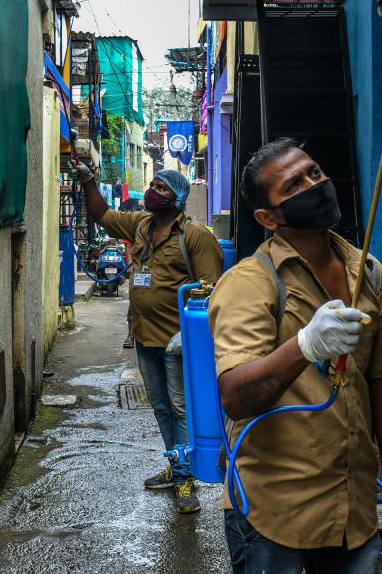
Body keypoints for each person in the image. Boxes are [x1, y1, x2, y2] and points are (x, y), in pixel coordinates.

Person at [208, 138, 382, 573]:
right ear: (268, 218)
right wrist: (304, 346)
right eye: (293, 186)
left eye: (314, 172)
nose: (314, 185)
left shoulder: (368, 272)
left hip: (354, 508)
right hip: (274, 510)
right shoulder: (249, 282)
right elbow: (234, 395)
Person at [71, 159, 224, 513]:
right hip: (145, 337)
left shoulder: (195, 236)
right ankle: (176, 466)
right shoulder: (141, 224)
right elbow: (103, 215)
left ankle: (187, 480)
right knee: (160, 407)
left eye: (161, 188)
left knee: (181, 409)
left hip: (177, 342)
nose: (152, 192)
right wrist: (89, 181)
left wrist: (192, 334)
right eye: (152, 185)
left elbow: (214, 290)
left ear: (179, 198)